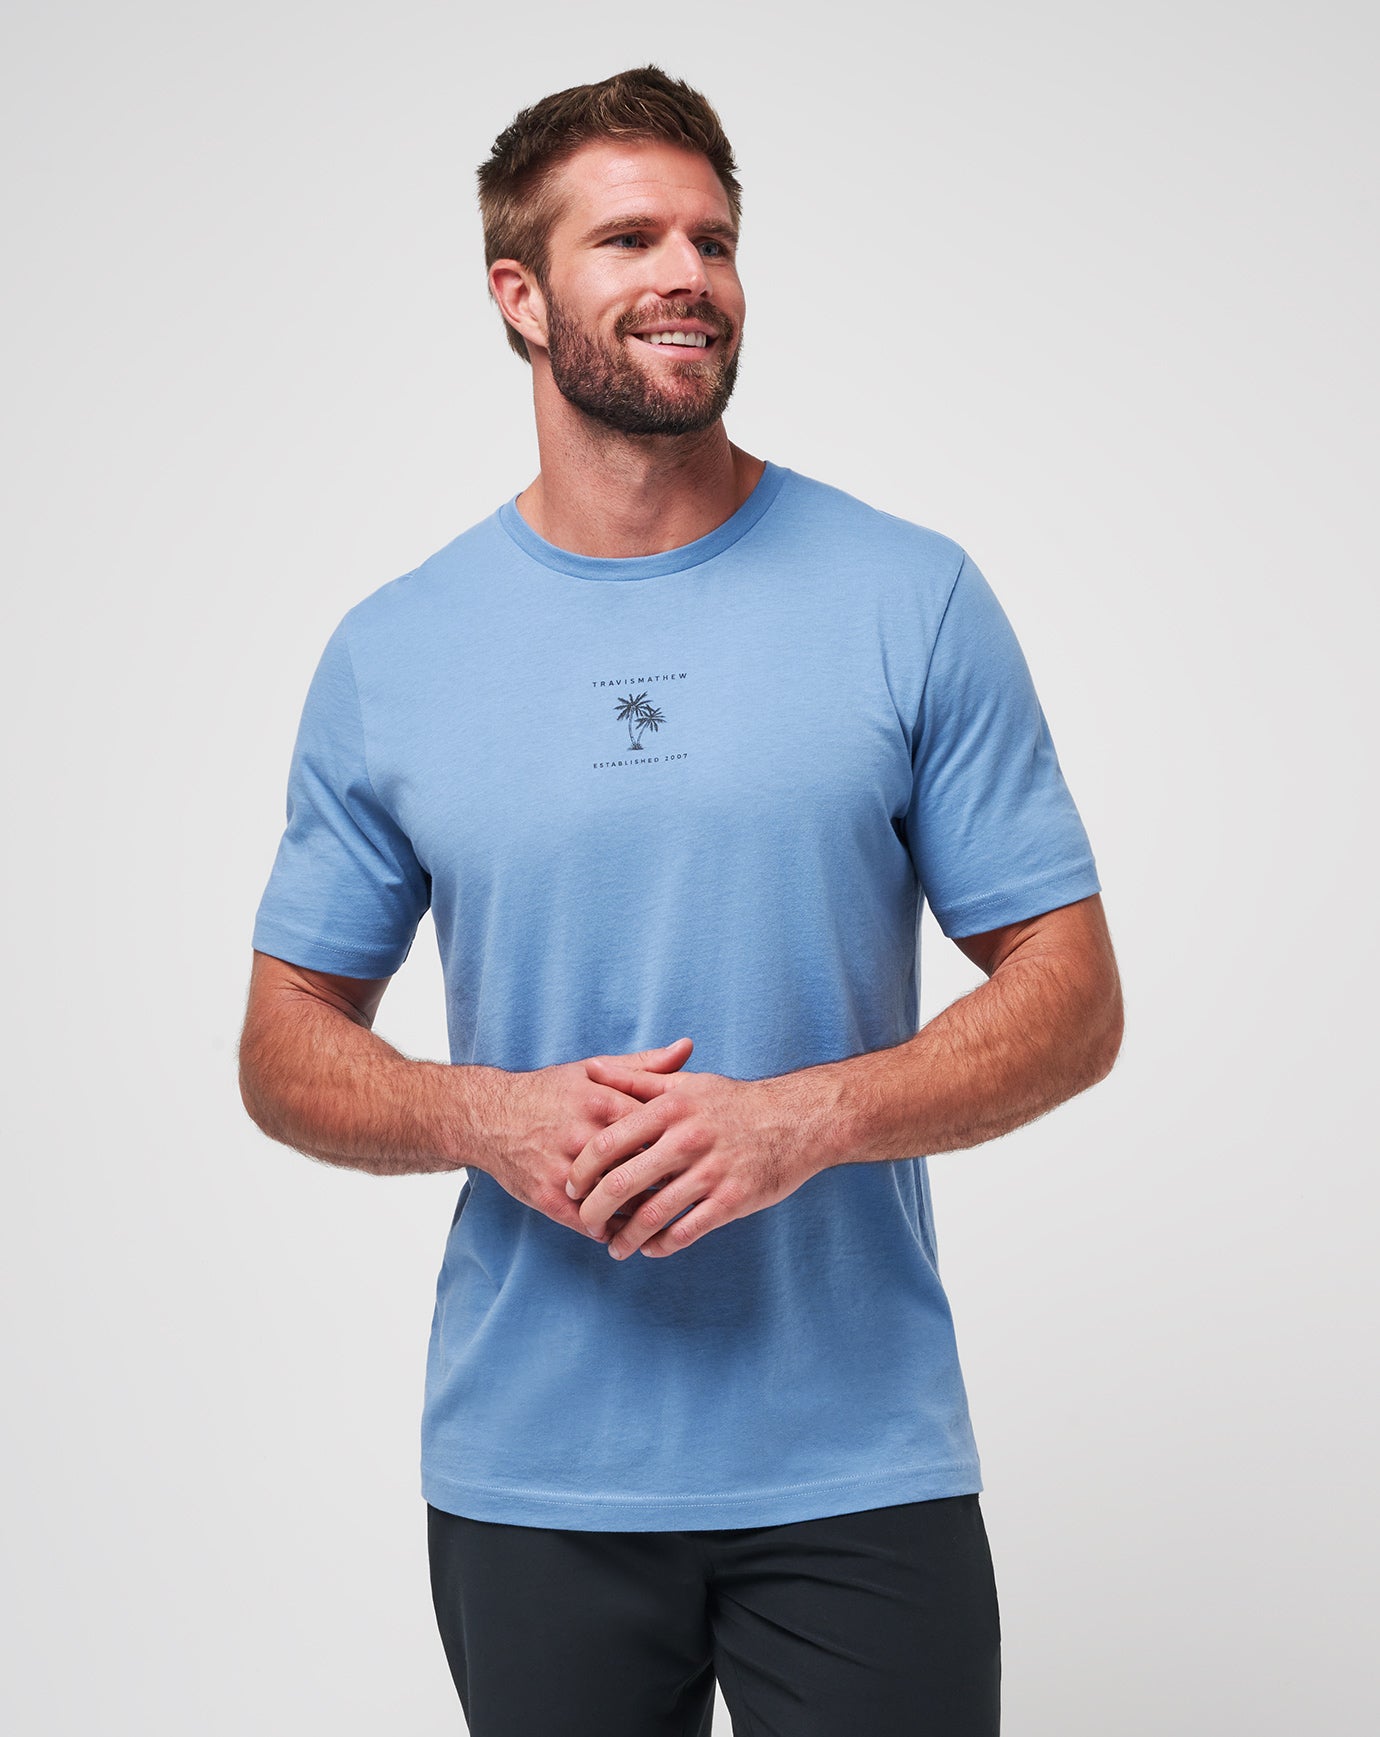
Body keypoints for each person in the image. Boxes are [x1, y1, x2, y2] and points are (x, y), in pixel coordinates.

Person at [239, 63, 1123, 1737]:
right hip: (535, 1468)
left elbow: (1073, 993)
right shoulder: (396, 651)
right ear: (518, 295)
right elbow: (285, 1041)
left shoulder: (909, 596)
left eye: (712, 240)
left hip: (858, 1458)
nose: (687, 276)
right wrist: (487, 1114)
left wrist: (800, 1120)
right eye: (630, 238)